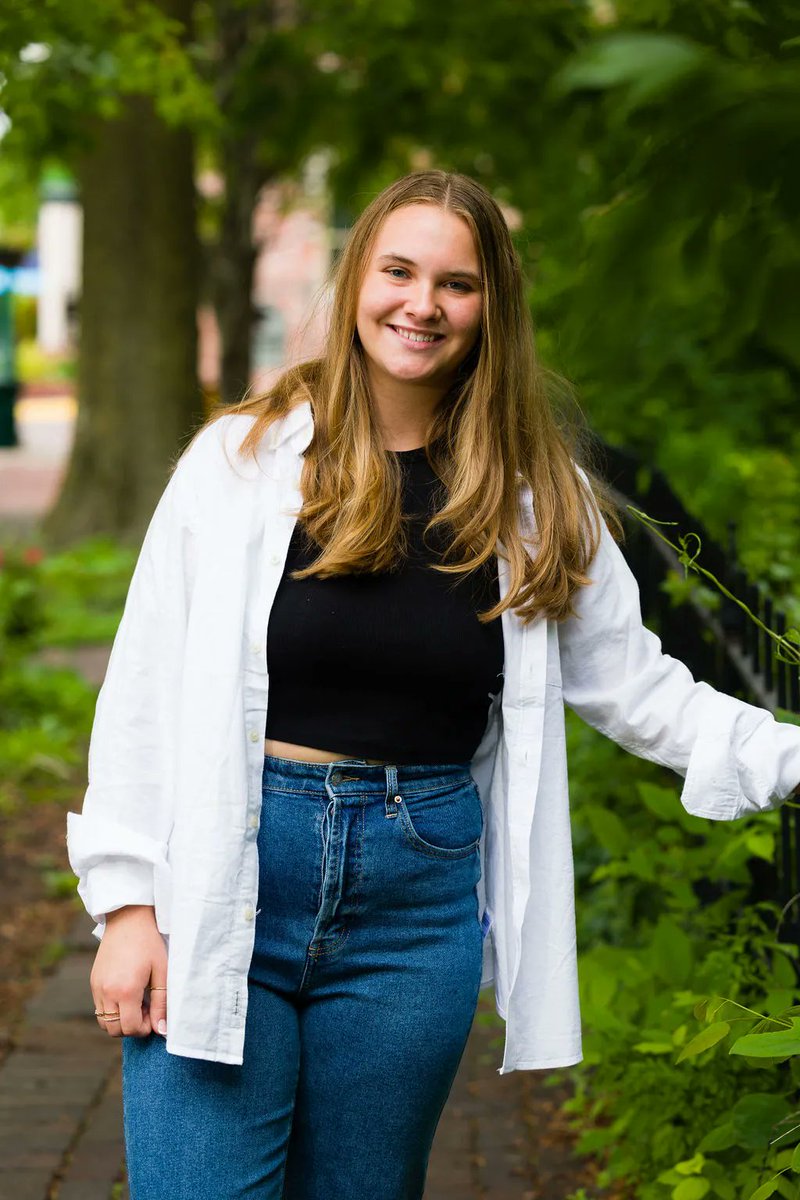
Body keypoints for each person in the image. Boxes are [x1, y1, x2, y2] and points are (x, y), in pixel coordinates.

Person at [66, 169, 800, 1200]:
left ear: (492, 307)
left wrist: (785, 754)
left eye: (457, 284)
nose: (422, 304)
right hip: (231, 870)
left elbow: (641, 689)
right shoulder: (240, 461)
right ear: (355, 279)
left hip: (414, 905)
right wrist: (127, 906)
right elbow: (145, 686)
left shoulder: (536, 498)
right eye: (399, 272)